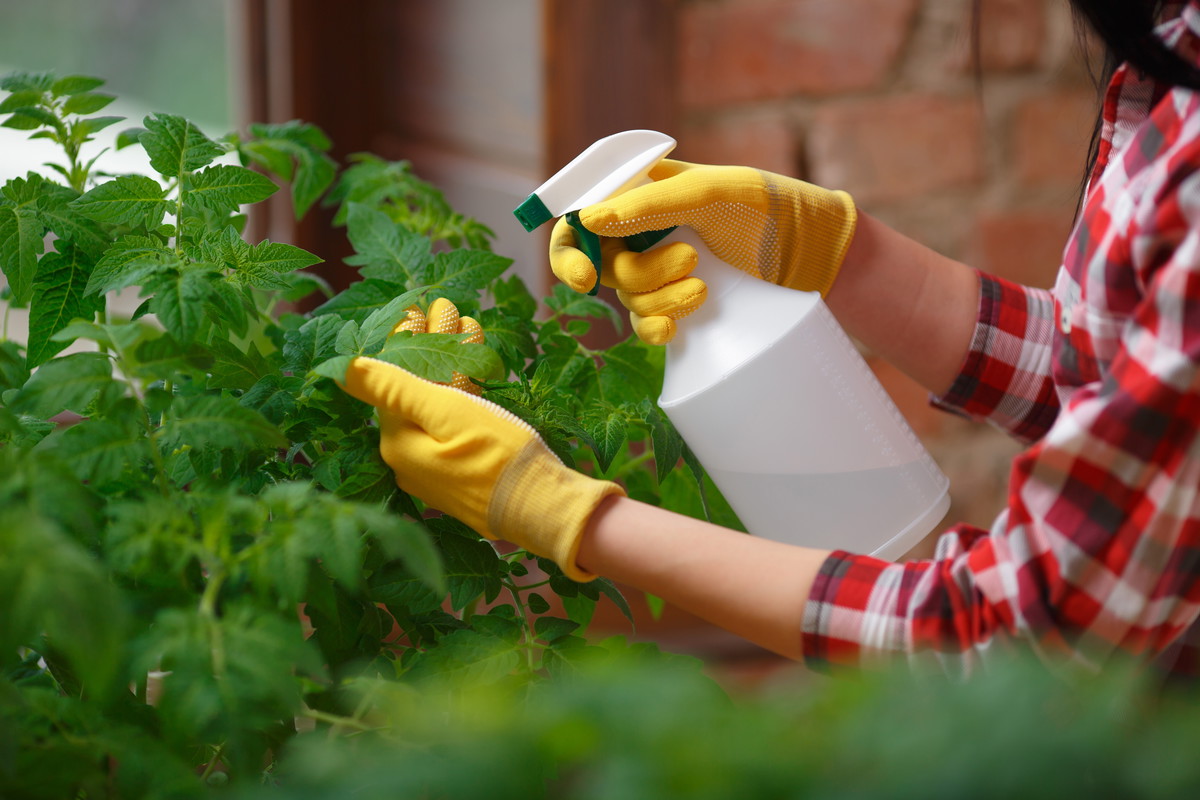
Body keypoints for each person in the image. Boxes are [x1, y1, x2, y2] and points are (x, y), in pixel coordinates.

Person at [341, 0, 1200, 680]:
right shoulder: (1176, 49)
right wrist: (831, 250)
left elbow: (1010, 646)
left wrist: (563, 511)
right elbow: (1117, 386)